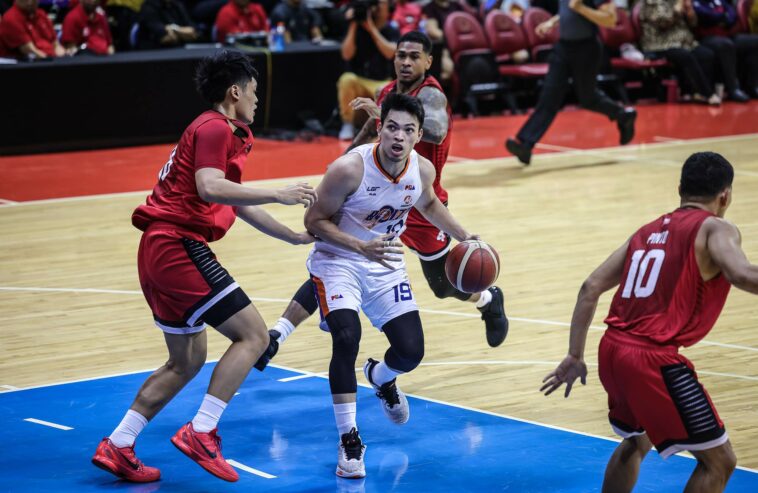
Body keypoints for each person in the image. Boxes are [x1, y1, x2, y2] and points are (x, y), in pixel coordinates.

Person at [90, 50, 318, 484]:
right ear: (235, 92)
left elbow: (230, 195)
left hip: (158, 250)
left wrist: (291, 236)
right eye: (254, 91)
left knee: (187, 360)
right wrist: (279, 194)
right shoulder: (215, 126)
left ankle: (119, 443)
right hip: (177, 246)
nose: (257, 100)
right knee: (253, 335)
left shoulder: (215, 130)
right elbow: (210, 187)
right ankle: (202, 432)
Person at [253, 31, 508, 375]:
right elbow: (368, 136)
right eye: (401, 55)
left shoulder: (430, 94)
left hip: (415, 200)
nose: (405, 61)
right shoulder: (387, 91)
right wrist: (339, 168)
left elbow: (435, 130)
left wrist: (387, 115)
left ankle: (489, 300)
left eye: (414, 56)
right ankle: (277, 334)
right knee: (332, 256)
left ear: (427, 62)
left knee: (443, 285)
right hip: (373, 192)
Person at [541, 151, 758, 492]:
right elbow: (743, 275)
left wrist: (574, 355)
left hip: (611, 350)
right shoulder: (715, 227)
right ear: (725, 195)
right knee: (720, 461)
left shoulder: (647, 231)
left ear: (680, 189)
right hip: (652, 359)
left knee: (636, 441)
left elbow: (589, 287)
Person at [305, 92, 483, 478]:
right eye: (391, 127)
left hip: (384, 263)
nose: (398, 137)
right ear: (379, 128)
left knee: (411, 351)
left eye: (408, 130)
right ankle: (349, 439)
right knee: (346, 338)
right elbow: (313, 221)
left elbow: (431, 204)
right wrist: (359, 245)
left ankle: (381, 377)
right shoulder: (348, 169)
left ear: (418, 135)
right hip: (338, 260)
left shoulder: (421, 170)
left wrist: (467, 237)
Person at [505, 0, 636, 166]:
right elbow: (568, 12)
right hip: (563, 47)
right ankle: (525, 144)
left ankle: (622, 115)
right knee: (549, 95)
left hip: (587, 48)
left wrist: (580, 8)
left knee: (588, 98)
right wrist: (552, 22)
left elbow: (610, 20)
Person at [638, 0, 720, 105]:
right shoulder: (651, 2)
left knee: (706, 54)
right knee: (684, 55)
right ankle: (707, 94)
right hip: (660, 45)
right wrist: (678, 8)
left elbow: (693, 24)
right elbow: (663, 22)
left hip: (684, 43)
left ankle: (696, 92)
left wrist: (690, 13)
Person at [337, 0, 399, 140]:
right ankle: (347, 124)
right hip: (360, 81)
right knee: (346, 79)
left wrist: (371, 28)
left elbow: (390, 53)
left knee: (387, 89)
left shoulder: (391, 29)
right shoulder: (357, 29)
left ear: (388, 7)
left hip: (382, 82)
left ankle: (383, 125)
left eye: (380, 3)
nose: (376, 8)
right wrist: (353, 23)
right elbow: (346, 54)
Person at [691, 0, 757, 100]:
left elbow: (732, 14)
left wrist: (723, 17)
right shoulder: (696, 2)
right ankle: (733, 89)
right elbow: (704, 16)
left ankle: (752, 86)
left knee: (754, 41)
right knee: (726, 45)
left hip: (727, 35)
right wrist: (721, 16)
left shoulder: (719, 1)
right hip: (706, 37)